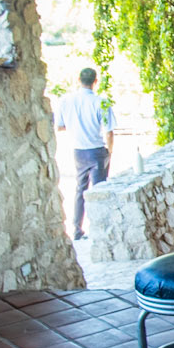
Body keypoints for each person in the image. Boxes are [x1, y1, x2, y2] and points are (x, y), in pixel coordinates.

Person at [54, 66, 116, 241]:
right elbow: (109, 131)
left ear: (78, 80)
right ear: (95, 81)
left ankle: (77, 229)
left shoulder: (65, 101)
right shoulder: (100, 102)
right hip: (96, 150)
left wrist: (75, 126)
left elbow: (59, 126)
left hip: (78, 151)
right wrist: (109, 151)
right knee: (99, 191)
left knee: (80, 189)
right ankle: (99, 229)